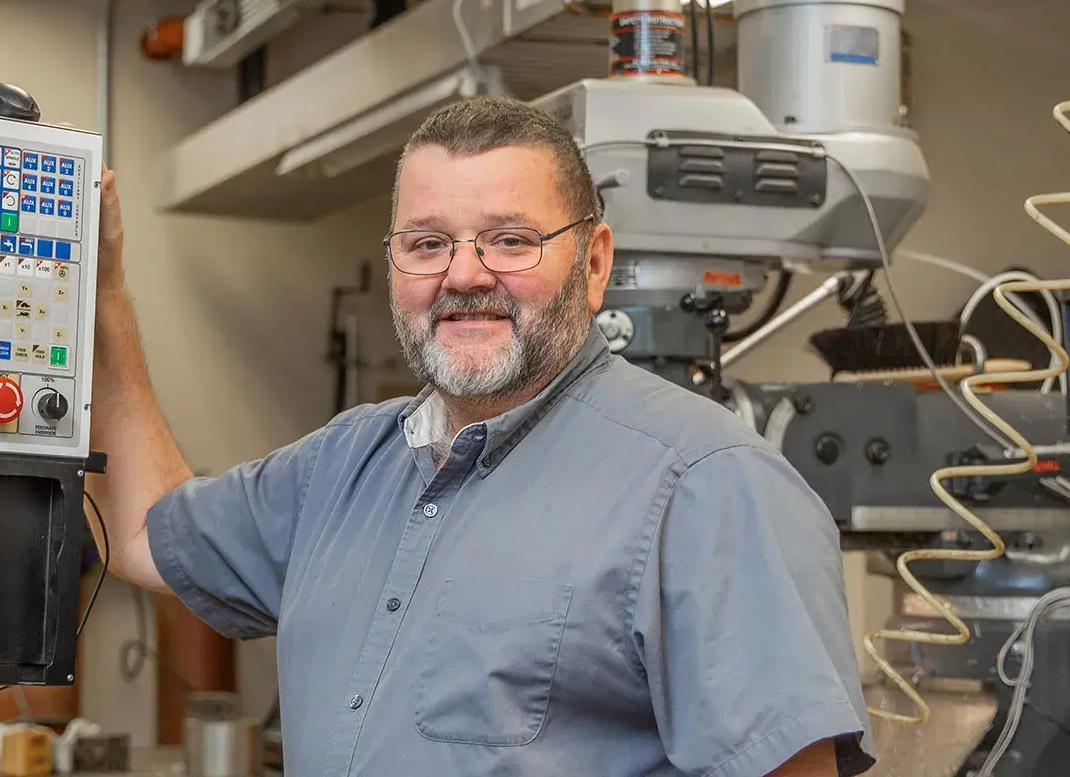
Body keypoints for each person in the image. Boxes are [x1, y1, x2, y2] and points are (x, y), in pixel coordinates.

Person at [87, 95, 876, 777]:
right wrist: (98, 292)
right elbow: (140, 531)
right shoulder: (340, 468)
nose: (463, 275)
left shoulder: (709, 486)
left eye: (510, 240)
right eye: (428, 243)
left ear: (594, 264)